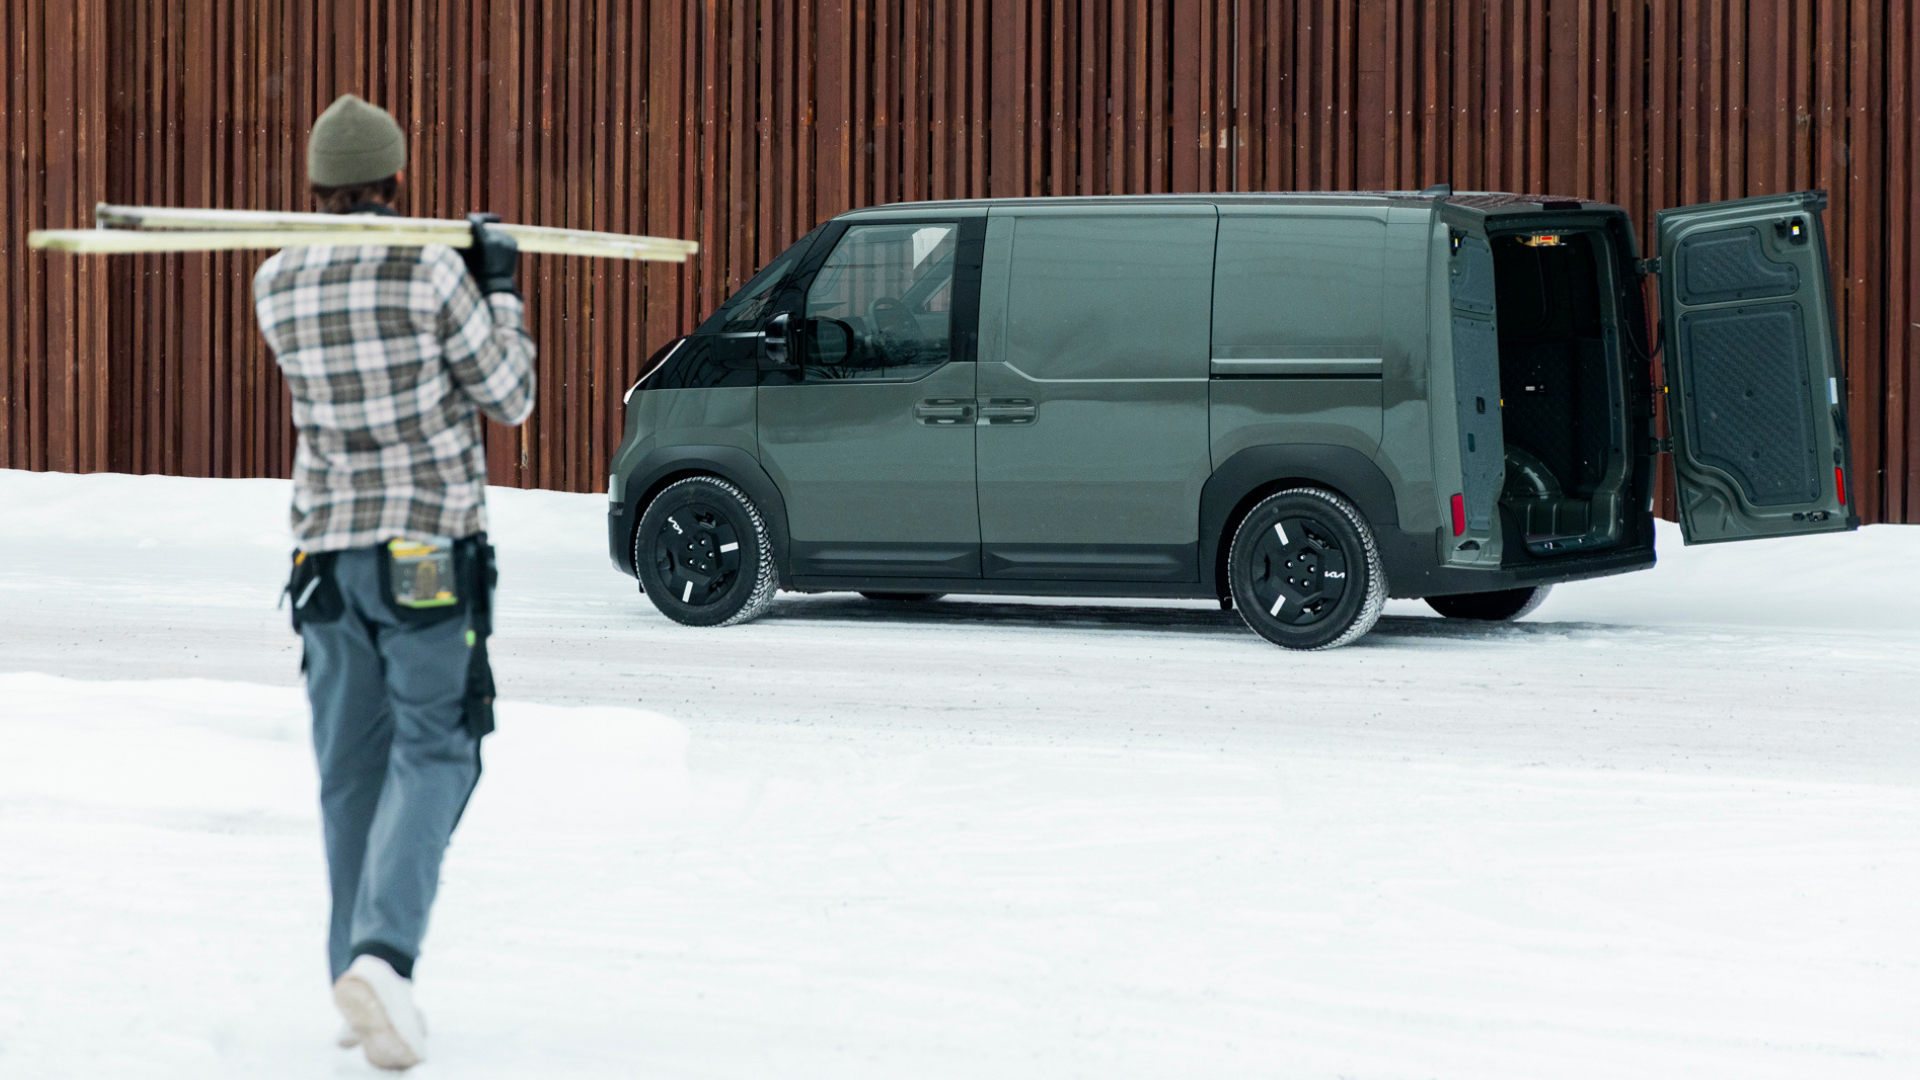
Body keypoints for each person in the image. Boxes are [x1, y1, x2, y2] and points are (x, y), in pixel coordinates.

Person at [252, 93, 535, 1071]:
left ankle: (353, 975)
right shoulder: (428, 271)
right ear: (400, 180)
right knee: (440, 752)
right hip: (423, 552)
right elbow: (510, 396)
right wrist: (496, 287)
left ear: (314, 188)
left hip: (326, 561)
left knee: (351, 776)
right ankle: (385, 958)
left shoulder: (274, 280)